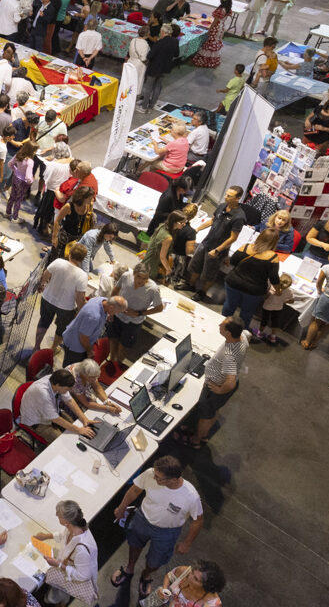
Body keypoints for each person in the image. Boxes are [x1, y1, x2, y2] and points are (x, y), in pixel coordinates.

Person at [112, 456, 205, 600]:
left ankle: (146, 575)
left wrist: (187, 543)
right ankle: (129, 568)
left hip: (167, 532)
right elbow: (135, 490)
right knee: (134, 544)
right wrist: (122, 507)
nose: (154, 478)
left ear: (174, 479)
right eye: (155, 474)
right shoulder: (151, 473)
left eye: (159, 478)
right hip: (142, 519)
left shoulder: (191, 496)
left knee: (156, 561)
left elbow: (198, 520)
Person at [179, 318, 248, 449]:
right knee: (213, 410)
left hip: (216, 387)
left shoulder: (230, 355)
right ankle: (202, 434)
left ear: (228, 333)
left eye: (222, 325)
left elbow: (231, 383)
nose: (219, 325)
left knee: (206, 415)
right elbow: (249, 334)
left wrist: (219, 390)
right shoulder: (243, 337)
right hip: (219, 383)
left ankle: (195, 440)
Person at [35, 500, 100, 604]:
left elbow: (83, 576)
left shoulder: (82, 550)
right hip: (66, 566)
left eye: (59, 515)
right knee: (57, 590)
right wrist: (46, 536)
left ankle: (60, 602)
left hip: (70, 578)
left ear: (66, 521)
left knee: (62, 593)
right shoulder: (74, 527)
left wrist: (59, 565)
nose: (56, 515)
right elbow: (64, 536)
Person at [185, 187, 247, 296]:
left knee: (209, 274)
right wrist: (197, 229)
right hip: (206, 242)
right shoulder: (222, 206)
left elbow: (233, 238)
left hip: (218, 249)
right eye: (226, 194)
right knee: (195, 266)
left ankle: (202, 293)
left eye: (229, 196)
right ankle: (190, 285)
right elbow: (212, 220)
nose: (225, 197)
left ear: (238, 198)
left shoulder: (239, 217)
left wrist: (217, 250)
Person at [19, 370, 99, 441]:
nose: (68, 391)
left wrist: (84, 419)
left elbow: (69, 400)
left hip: (52, 412)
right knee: (63, 441)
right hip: (37, 422)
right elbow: (55, 419)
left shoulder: (56, 380)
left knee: (75, 427)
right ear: (57, 385)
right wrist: (79, 430)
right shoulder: (43, 393)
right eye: (66, 389)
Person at [61, 295, 124, 364]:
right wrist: (89, 351)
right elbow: (83, 337)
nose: (116, 314)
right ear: (111, 307)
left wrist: (94, 336)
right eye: (117, 312)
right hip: (75, 345)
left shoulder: (103, 300)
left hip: (76, 334)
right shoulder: (93, 317)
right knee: (71, 367)